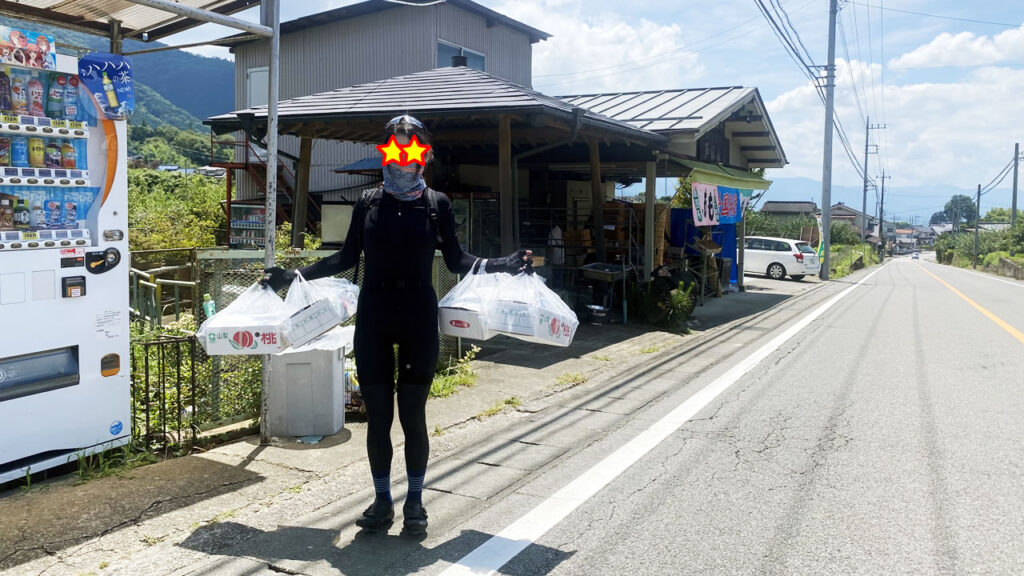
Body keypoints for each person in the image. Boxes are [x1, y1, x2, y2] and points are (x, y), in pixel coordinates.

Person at [262, 114, 532, 535]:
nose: (403, 156)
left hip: (418, 318)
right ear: (385, 150)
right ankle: (383, 500)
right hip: (374, 317)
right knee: (379, 419)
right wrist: (295, 277)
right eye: (395, 145)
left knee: (413, 417)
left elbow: (458, 260)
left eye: (411, 146)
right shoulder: (368, 201)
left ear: (423, 152)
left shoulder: (435, 203)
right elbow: (345, 258)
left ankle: (416, 503)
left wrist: (503, 264)